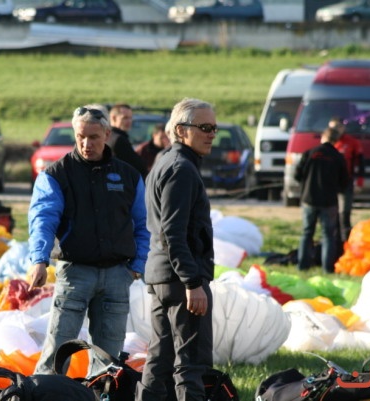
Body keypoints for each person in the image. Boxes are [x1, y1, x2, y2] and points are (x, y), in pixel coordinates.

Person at [27, 105, 149, 375]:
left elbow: (143, 225)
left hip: (117, 276)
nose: (86, 144)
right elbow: (42, 220)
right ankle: (46, 392)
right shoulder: (55, 175)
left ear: (107, 134)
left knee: (109, 362)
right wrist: (39, 260)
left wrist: (136, 266)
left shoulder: (129, 176)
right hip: (75, 274)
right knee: (57, 352)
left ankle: (100, 393)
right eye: (80, 136)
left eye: (93, 137)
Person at [136, 98, 216, 401]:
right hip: (180, 280)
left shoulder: (165, 161)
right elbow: (173, 232)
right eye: (204, 127)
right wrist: (192, 282)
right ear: (181, 130)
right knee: (190, 363)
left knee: (159, 359)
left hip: (162, 276)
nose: (211, 134)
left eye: (214, 128)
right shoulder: (181, 169)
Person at [295, 127, 349, 274]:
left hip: (309, 199)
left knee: (307, 233)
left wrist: (306, 185)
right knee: (328, 236)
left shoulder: (310, 153)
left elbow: (297, 174)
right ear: (336, 140)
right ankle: (327, 268)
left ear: (323, 137)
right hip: (329, 201)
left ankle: (302, 266)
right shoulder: (338, 157)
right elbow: (344, 181)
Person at [328, 117, 364, 243]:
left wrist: (359, 181)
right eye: (331, 128)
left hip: (346, 182)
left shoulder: (351, 142)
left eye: (336, 127)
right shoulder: (328, 143)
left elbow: (360, 163)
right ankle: (334, 242)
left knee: (344, 213)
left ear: (342, 127)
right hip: (331, 183)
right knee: (331, 214)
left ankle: (346, 242)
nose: (334, 130)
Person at [108, 103, 148, 178]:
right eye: (125, 118)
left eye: (130, 118)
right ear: (114, 118)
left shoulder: (107, 136)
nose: (129, 121)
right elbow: (136, 166)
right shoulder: (119, 139)